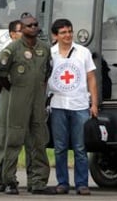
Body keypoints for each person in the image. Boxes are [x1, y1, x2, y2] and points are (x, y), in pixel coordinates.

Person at [0, 13, 55, 195]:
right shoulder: (12, 49)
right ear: (21, 29)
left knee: (38, 140)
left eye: (36, 25)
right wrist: (15, 89)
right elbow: (0, 74)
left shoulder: (45, 48)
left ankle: (37, 182)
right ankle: (9, 181)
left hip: (37, 100)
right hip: (18, 100)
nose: (34, 27)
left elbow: (48, 71)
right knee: (14, 140)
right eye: (30, 25)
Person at [48, 19, 98, 195]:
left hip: (80, 105)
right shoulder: (50, 54)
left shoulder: (83, 52)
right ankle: (62, 183)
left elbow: (91, 77)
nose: (68, 35)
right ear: (55, 35)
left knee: (80, 147)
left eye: (69, 31)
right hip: (58, 105)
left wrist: (94, 103)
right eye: (63, 32)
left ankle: (82, 184)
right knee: (60, 147)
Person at [0, 19, 33, 192]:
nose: (24, 33)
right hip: (9, 97)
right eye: (20, 31)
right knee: (5, 138)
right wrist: (9, 90)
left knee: (31, 139)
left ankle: (34, 180)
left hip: (29, 99)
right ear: (12, 34)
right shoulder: (5, 53)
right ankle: (5, 179)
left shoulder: (33, 53)